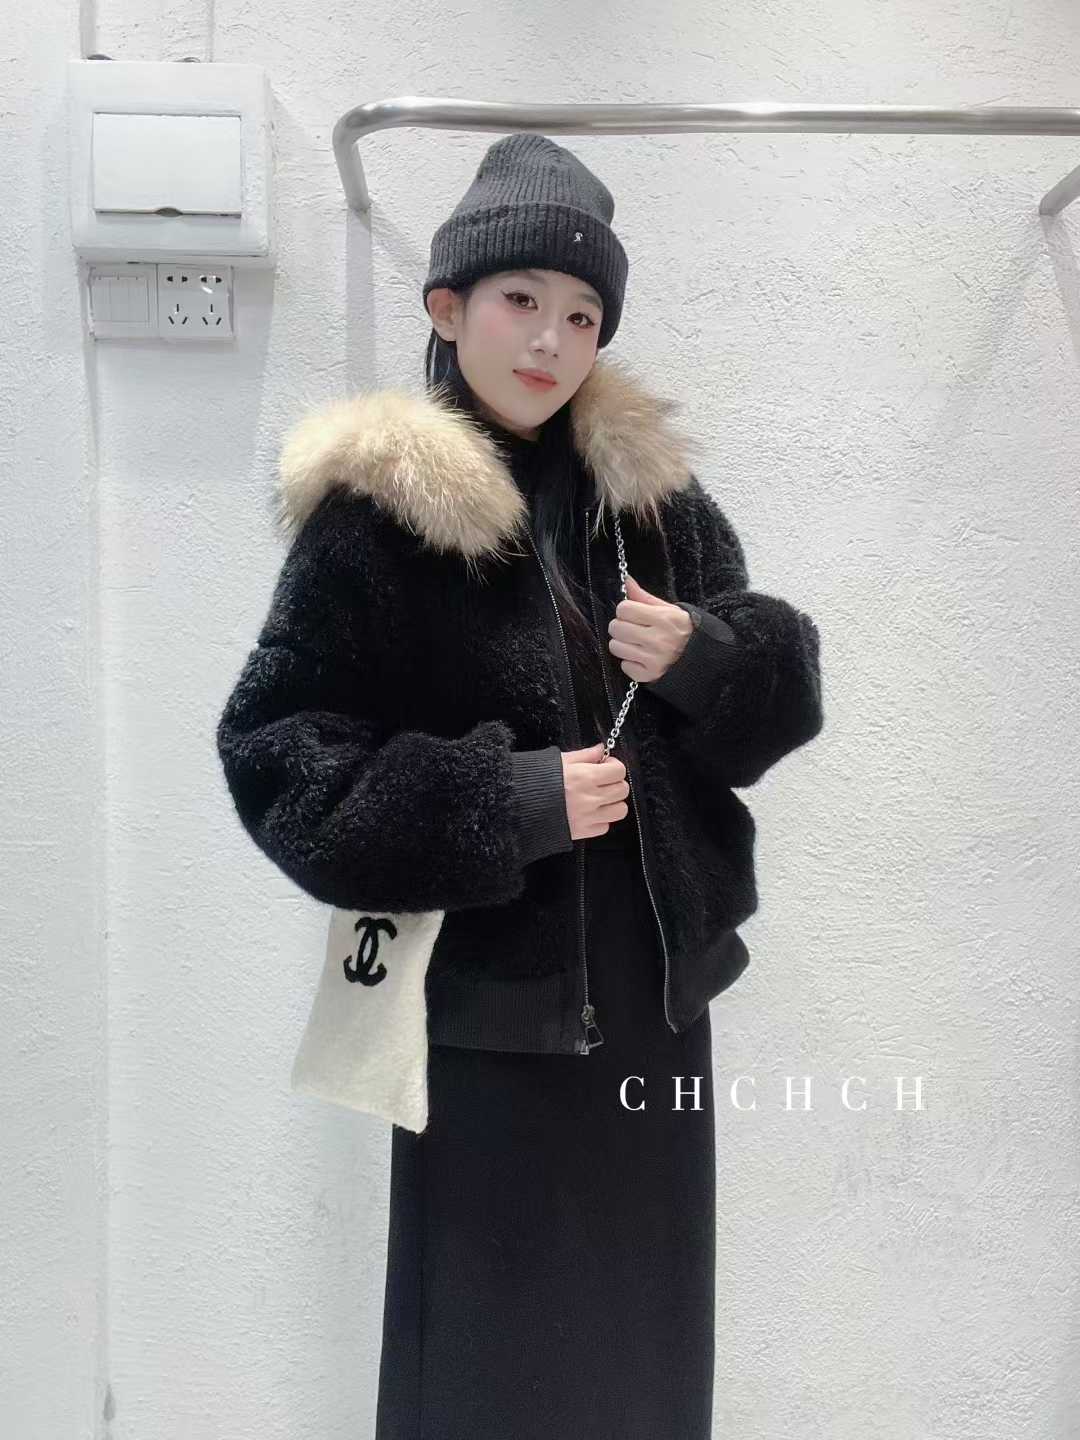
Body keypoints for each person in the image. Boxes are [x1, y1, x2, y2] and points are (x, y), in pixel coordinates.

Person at [216, 133, 825, 1439]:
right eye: (521, 299)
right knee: (487, 1371)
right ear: (448, 308)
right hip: (490, 1022)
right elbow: (279, 754)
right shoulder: (379, 515)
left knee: (646, 1363)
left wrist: (709, 661)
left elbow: (782, 688)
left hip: (657, 1008)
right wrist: (510, 802)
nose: (551, 340)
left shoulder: (649, 498)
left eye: (583, 314)